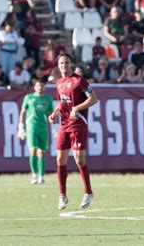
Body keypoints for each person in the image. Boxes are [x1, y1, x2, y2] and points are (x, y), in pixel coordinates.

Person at [48, 53, 98, 210]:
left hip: (78, 124)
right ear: (58, 65)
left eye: (67, 63)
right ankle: (62, 195)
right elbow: (62, 102)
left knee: (79, 159)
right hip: (64, 125)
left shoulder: (79, 80)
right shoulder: (59, 82)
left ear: (71, 64)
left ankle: (88, 192)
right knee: (60, 159)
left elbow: (93, 99)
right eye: (61, 63)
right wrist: (55, 113)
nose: (64, 65)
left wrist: (77, 108)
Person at [18, 80, 54, 184]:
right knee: (33, 150)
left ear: (45, 87)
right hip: (31, 128)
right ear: (35, 87)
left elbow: (51, 114)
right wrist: (21, 127)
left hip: (43, 128)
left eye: (42, 85)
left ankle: (41, 176)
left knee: (42, 152)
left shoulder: (48, 99)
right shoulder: (29, 98)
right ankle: (34, 175)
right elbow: (23, 112)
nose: (40, 87)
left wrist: (56, 127)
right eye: (38, 85)